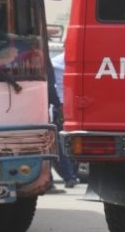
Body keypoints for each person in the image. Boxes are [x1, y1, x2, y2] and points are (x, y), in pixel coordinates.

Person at [50, 51, 79, 189]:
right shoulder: (56, 63)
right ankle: (70, 176)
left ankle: (71, 175)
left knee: (70, 143)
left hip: (70, 106)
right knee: (65, 143)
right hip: (64, 107)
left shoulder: (57, 62)